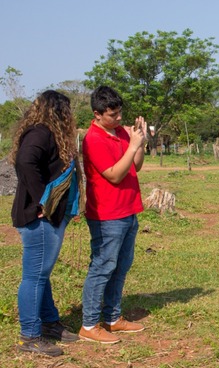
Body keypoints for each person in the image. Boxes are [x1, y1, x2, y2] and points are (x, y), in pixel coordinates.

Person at [10, 90, 84, 356]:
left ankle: (49, 322)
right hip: (37, 217)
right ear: (59, 112)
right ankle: (30, 335)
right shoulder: (40, 133)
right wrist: (43, 199)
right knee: (34, 276)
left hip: (48, 216)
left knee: (42, 273)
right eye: (67, 111)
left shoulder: (46, 134)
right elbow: (25, 162)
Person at [79, 86, 147, 344]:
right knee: (102, 267)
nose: (119, 119)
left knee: (121, 266)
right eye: (113, 115)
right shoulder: (93, 139)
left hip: (128, 209)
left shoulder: (120, 133)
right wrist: (133, 144)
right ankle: (89, 324)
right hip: (107, 214)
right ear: (97, 114)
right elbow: (114, 175)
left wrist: (139, 142)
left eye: (120, 113)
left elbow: (136, 166)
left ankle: (112, 318)